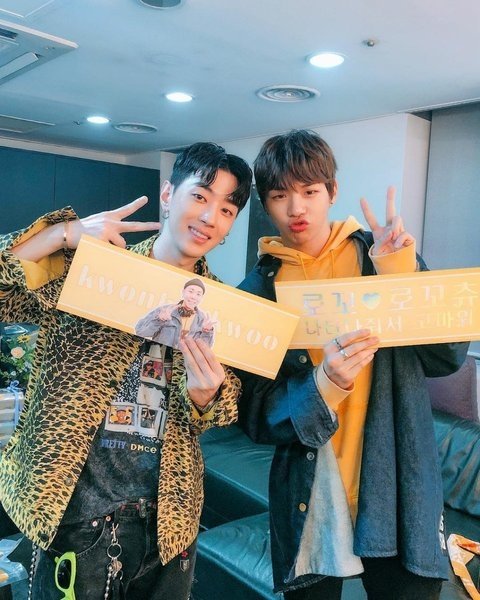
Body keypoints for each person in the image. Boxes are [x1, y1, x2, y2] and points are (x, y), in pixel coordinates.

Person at [0, 142, 252, 599]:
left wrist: (206, 395)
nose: (210, 217)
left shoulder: (221, 307)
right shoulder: (94, 268)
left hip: (168, 523)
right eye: (200, 196)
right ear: (168, 194)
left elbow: (224, 405)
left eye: (227, 209)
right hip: (73, 512)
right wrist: (64, 234)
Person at [236, 130, 468, 600]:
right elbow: (256, 416)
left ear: (332, 192)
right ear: (265, 203)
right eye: (280, 196)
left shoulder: (378, 257)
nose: (296, 208)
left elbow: (448, 356)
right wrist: (322, 385)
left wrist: (402, 274)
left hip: (396, 484)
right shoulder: (258, 292)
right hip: (311, 493)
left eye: (309, 191)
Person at [135, 278, 215, 348]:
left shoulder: (202, 320)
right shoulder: (165, 311)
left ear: (201, 298)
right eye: (191, 291)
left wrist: (207, 332)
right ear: (183, 292)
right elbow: (140, 332)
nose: (193, 297)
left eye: (198, 294)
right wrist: (158, 320)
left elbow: (205, 348)